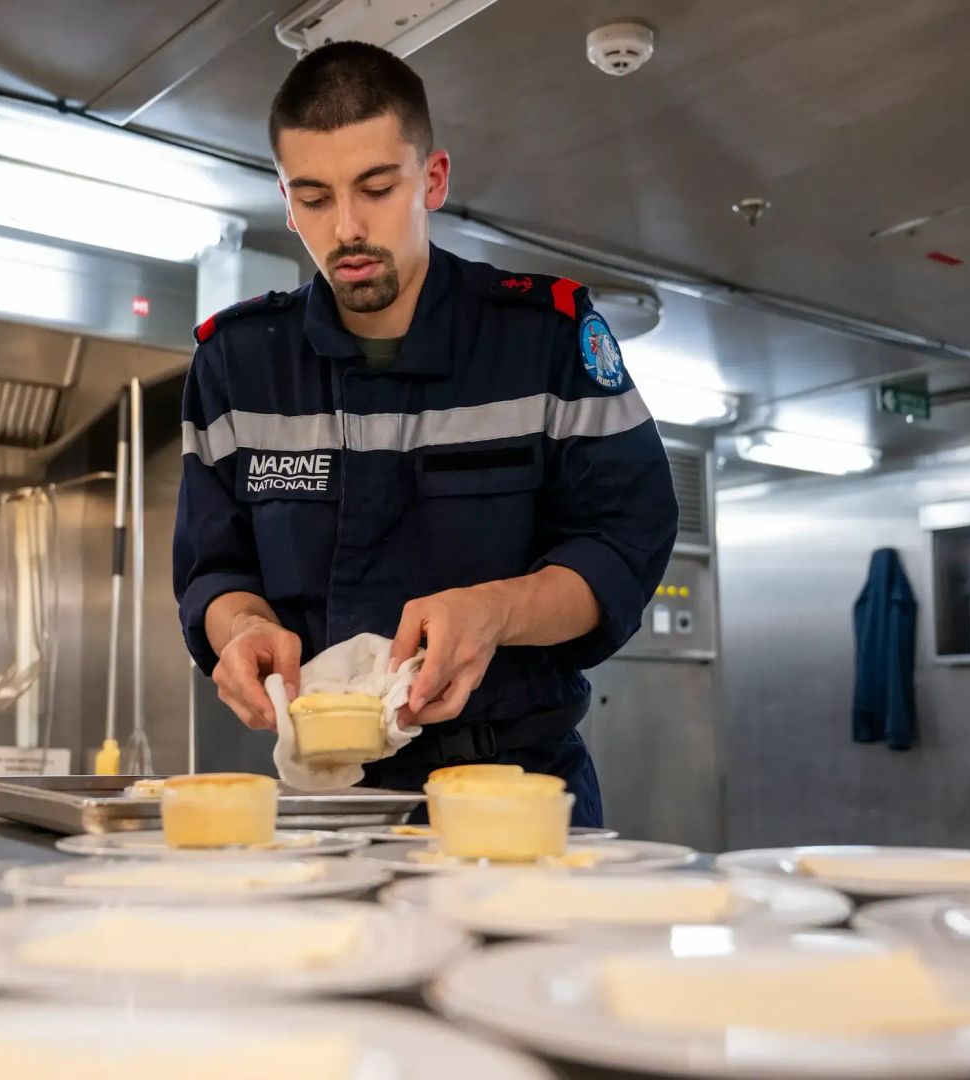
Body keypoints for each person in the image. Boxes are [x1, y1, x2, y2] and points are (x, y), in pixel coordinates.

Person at [172, 42, 677, 826]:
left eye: (377, 188)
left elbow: (622, 545)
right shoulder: (236, 364)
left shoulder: (543, 339)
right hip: (326, 805)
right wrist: (242, 629)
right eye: (314, 197)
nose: (346, 228)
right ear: (286, 201)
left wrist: (496, 611)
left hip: (516, 787)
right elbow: (216, 566)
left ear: (433, 179)